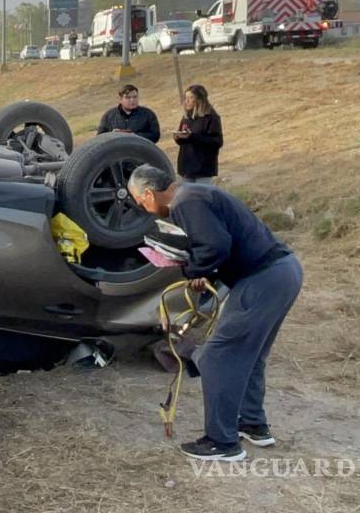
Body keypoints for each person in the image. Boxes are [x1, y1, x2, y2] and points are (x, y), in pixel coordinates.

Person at [128, 164, 302, 462]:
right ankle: (253, 424)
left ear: (148, 193)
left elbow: (216, 246)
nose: (142, 207)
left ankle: (222, 442)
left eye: (139, 201)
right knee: (249, 354)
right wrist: (203, 271)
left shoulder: (185, 201)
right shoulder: (196, 193)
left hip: (262, 278)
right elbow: (221, 244)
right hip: (282, 272)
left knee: (217, 356)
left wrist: (195, 269)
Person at [174, 84, 223, 183]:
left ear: (200, 99)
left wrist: (192, 137)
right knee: (187, 197)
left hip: (203, 168)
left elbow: (216, 142)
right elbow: (183, 141)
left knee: (201, 197)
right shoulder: (186, 117)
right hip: (186, 167)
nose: (186, 101)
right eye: (185, 98)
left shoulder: (211, 118)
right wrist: (178, 137)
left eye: (191, 98)